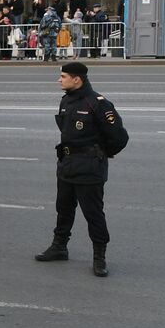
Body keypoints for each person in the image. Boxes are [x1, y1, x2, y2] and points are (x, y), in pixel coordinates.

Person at [34, 62, 129, 277]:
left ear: (77, 79)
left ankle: (99, 257)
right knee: (64, 209)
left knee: (93, 214)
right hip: (67, 165)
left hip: (89, 168)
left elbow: (119, 137)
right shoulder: (66, 101)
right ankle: (59, 246)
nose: (60, 80)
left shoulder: (98, 103)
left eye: (64, 76)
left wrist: (100, 154)